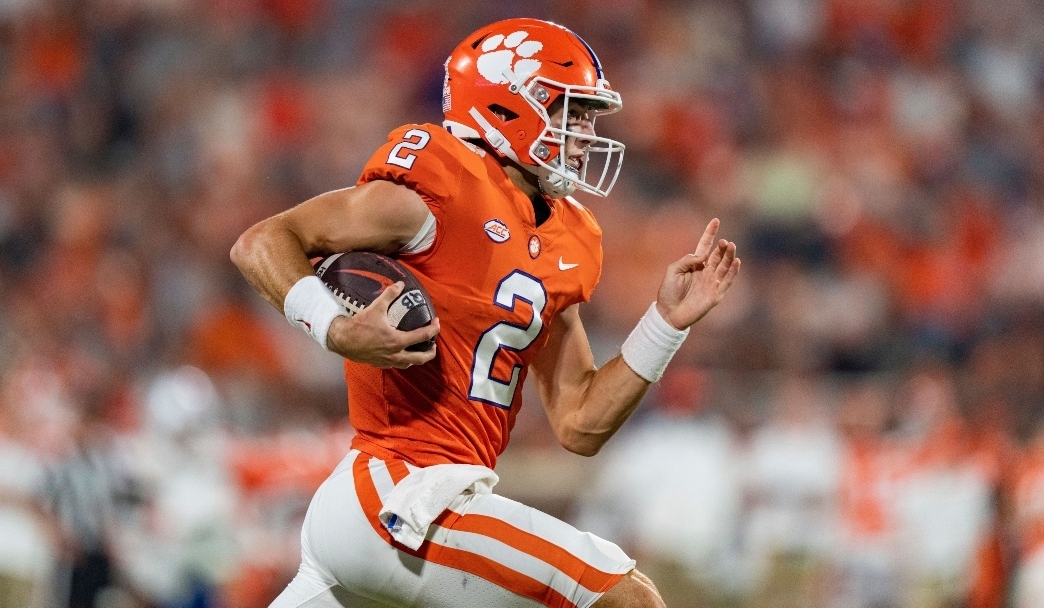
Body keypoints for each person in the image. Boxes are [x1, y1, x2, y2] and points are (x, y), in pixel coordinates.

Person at [231, 17, 740, 608]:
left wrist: (664, 324)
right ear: (504, 107)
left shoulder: (569, 236)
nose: (583, 134)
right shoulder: (436, 186)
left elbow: (579, 421)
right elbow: (262, 242)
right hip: (399, 493)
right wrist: (336, 327)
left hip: (411, 507)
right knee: (625, 600)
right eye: (569, 112)